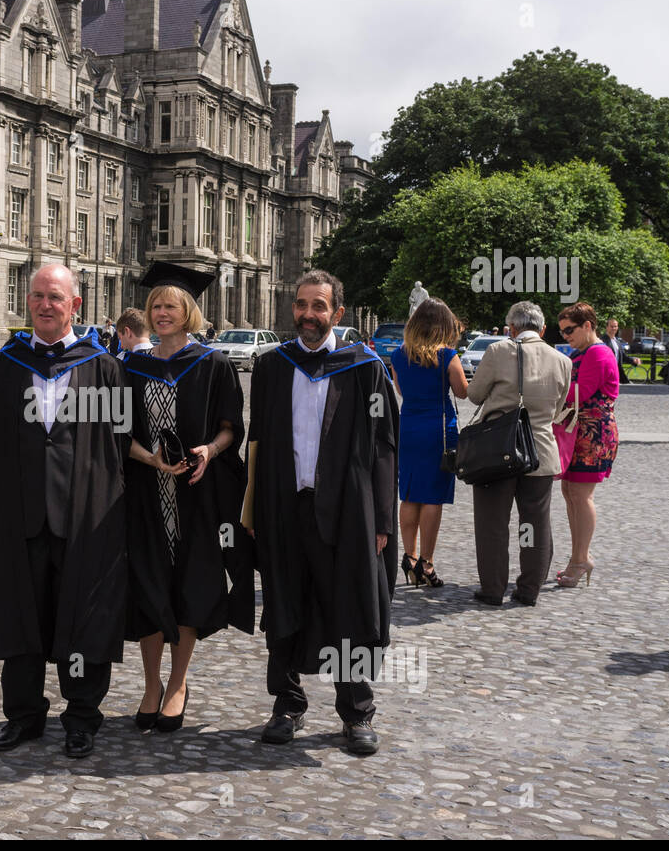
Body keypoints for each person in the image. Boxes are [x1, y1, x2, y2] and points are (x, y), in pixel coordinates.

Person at [243, 269, 398, 755]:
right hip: (286, 508)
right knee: (285, 603)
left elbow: (385, 449)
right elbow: (258, 443)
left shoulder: (364, 368)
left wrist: (382, 521)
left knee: (349, 607)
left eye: (318, 306)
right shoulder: (272, 368)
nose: (308, 315)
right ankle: (286, 704)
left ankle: (356, 713)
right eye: (301, 304)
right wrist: (253, 512)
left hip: (349, 510)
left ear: (337, 313)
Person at [0, 264, 128, 759]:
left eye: (56, 297)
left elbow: (118, 443)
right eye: (38, 296)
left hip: (83, 517)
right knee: (19, 616)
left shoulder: (104, 367)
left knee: (84, 619)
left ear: (76, 305)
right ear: (29, 302)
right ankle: (23, 715)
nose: (46, 305)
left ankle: (82, 717)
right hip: (18, 516)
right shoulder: (3, 367)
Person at [123, 263, 252, 733]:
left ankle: (178, 683)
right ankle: (151, 683)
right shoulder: (131, 366)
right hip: (146, 492)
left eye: (170, 306)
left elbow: (229, 427)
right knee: (149, 585)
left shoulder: (214, 365)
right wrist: (150, 460)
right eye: (155, 305)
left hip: (196, 496)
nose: (161, 313)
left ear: (188, 312)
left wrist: (209, 451)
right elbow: (118, 432)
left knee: (190, 586)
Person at [466, 301, 572, 605]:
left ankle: (493, 588)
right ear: (542, 329)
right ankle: (528, 590)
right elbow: (558, 408)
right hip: (540, 450)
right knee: (534, 524)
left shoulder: (499, 352)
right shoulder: (561, 360)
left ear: (511, 328)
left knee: (493, 525)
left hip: (498, 449)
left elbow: (474, 395)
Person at [390, 298, 468, 587]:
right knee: (433, 496)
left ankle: (408, 556)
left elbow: (400, 389)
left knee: (409, 492)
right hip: (439, 429)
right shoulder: (448, 356)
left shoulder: (399, 355)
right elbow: (461, 392)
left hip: (408, 426)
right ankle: (427, 562)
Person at [555, 303, 619, 587]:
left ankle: (581, 559)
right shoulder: (582, 352)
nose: (566, 336)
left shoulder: (598, 353)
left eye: (570, 330)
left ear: (588, 326)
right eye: (562, 331)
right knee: (570, 491)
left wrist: (545, 388)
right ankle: (577, 556)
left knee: (581, 495)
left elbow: (577, 393)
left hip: (593, 432)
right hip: (579, 430)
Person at [601, 319, 639, 384]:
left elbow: (623, 357)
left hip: (617, 373)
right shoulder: (602, 341)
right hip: (606, 374)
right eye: (611, 326)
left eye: (615, 326)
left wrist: (633, 360)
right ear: (607, 327)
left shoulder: (617, 342)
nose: (614, 328)